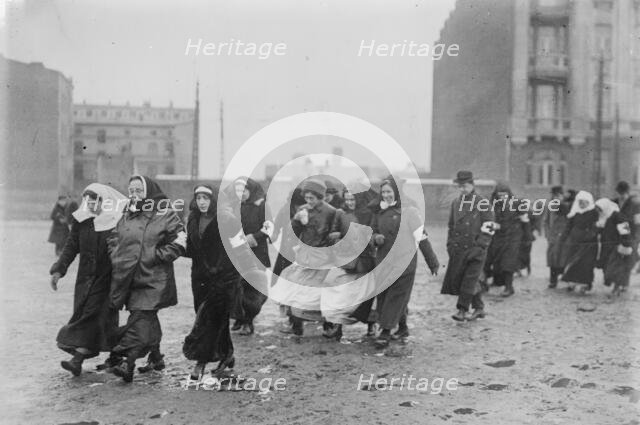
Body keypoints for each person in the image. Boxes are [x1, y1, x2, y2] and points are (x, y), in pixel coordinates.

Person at [108, 175, 186, 382]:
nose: (134, 195)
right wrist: (116, 254)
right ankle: (156, 357)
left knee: (139, 319)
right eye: (131, 190)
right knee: (145, 317)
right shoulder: (127, 213)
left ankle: (128, 363)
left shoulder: (164, 212)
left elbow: (181, 239)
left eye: (138, 190)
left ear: (149, 192)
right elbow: (114, 236)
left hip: (154, 278)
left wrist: (157, 255)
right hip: (129, 277)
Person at [183, 188, 266, 380]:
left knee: (207, 320)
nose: (202, 202)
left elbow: (241, 248)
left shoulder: (227, 220)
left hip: (225, 278)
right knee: (215, 320)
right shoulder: (193, 219)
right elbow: (193, 249)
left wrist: (250, 273)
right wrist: (179, 246)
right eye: (198, 198)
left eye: (206, 198)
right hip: (200, 278)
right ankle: (227, 357)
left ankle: (200, 363)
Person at [49, 184, 127, 376]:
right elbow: (71, 246)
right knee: (99, 321)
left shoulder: (115, 221)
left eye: (96, 200)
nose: (92, 204)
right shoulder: (82, 221)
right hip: (85, 280)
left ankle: (77, 360)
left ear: (104, 201)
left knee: (94, 318)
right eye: (88, 200)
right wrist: (59, 269)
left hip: (108, 280)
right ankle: (117, 357)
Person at [270, 178, 337, 336]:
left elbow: (335, 234)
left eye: (312, 198)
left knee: (324, 292)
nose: (309, 202)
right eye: (306, 198)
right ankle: (296, 325)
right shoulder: (303, 209)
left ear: (320, 197)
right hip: (304, 257)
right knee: (296, 290)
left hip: (323, 258)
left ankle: (330, 326)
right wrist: (297, 220)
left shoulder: (331, 212)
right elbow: (294, 230)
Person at [368, 177, 425, 348]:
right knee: (386, 295)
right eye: (383, 192)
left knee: (396, 296)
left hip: (404, 262)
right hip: (385, 261)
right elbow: (371, 233)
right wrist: (375, 238)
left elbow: (422, 237)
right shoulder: (379, 213)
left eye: (389, 192)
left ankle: (385, 332)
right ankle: (403, 327)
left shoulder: (410, 211)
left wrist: (432, 262)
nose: (386, 195)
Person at [320, 188, 377, 341]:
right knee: (341, 295)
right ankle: (337, 327)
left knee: (365, 296)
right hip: (346, 261)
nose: (350, 203)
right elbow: (331, 235)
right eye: (347, 200)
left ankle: (371, 325)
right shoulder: (341, 213)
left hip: (365, 261)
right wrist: (336, 237)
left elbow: (370, 236)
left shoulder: (369, 214)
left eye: (353, 199)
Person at [441, 171, 495, 321]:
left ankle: (462, 310)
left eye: (465, 186)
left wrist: (481, 246)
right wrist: (450, 245)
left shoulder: (482, 202)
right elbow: (451, 226)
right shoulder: (456, 203)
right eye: (460, 186)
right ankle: (479, 308)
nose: (462, 189)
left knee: (469, 280)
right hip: (458, 249)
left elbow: (489, 225)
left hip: (476, 249)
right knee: (466, 279)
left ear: (472, 185)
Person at [228, 177, 270, 335]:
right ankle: (239, 316)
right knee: (236, 287)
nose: (240, 194)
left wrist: (253, 237)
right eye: (237, 191)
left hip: (256, 253)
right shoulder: (234, 207)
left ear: (250, 191)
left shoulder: (262, 206)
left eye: (243, 191)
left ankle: (249, 320)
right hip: (237, 253)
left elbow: (269, 228)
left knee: (253, 289)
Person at [483, 183, 526, 297]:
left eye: (505, 195)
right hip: (498, 236)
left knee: (508, 261)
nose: (502, 197)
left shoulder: (516, 203)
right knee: (494, 259)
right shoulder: (492, 204)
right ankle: (492, 282)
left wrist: (527, 235)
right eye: (500, 195)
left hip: (513, 236)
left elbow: (525, 219)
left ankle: (509, 287)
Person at [559, 190, 598, 293]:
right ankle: (572, 282)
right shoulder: (575, 212)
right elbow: (568, 226)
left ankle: (585, 284)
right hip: (575, 241)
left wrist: (590, 235)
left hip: (589, 244)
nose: (581, 204)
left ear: (588, 202)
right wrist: (563, 238)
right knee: (573, 262)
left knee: (586, 264)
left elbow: (596, 227)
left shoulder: (594, 212)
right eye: (579, 202)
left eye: (583, 202)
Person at [596, 198, 634, 296]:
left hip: (616, 247)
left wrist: (626, 244)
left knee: (615, 268)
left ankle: (617, 287)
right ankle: (614, 286)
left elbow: (625, 231)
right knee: (607, 268)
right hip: (607, 247)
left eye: (600, 209)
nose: (599, 211)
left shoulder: (618, 216)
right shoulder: (605, 217)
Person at [544, 186, 570, 288]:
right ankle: (553, 280)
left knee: (563, 258)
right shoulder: (550, 206)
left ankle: (565, 278)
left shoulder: (566, 207)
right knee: (552, 259)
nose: (556, 198)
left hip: (563, 237)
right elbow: (546, 221)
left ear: (562, 196)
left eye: (559, 195)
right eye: (554, 196)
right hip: (553, 237)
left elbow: (569, 222)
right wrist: (548, 234)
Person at [614, 181, 640, 275]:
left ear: (627, 192)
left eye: (623, 193)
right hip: (620, 230)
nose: (621, 196)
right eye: (619, 193)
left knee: (630, 253)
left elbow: (637, 222)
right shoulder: (617, 201)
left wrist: (636, 235)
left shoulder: (635, 204)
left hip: (631, 232)